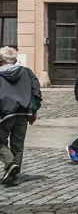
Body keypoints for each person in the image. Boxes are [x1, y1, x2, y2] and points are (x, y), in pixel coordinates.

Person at [0, 46, 41, 186]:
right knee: (18, 145)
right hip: (23, 112)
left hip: (4, 113)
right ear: (16, 60)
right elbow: (36, 91)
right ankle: (13, 176)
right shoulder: (26, 72)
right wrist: (34, 111)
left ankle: (10, 163)